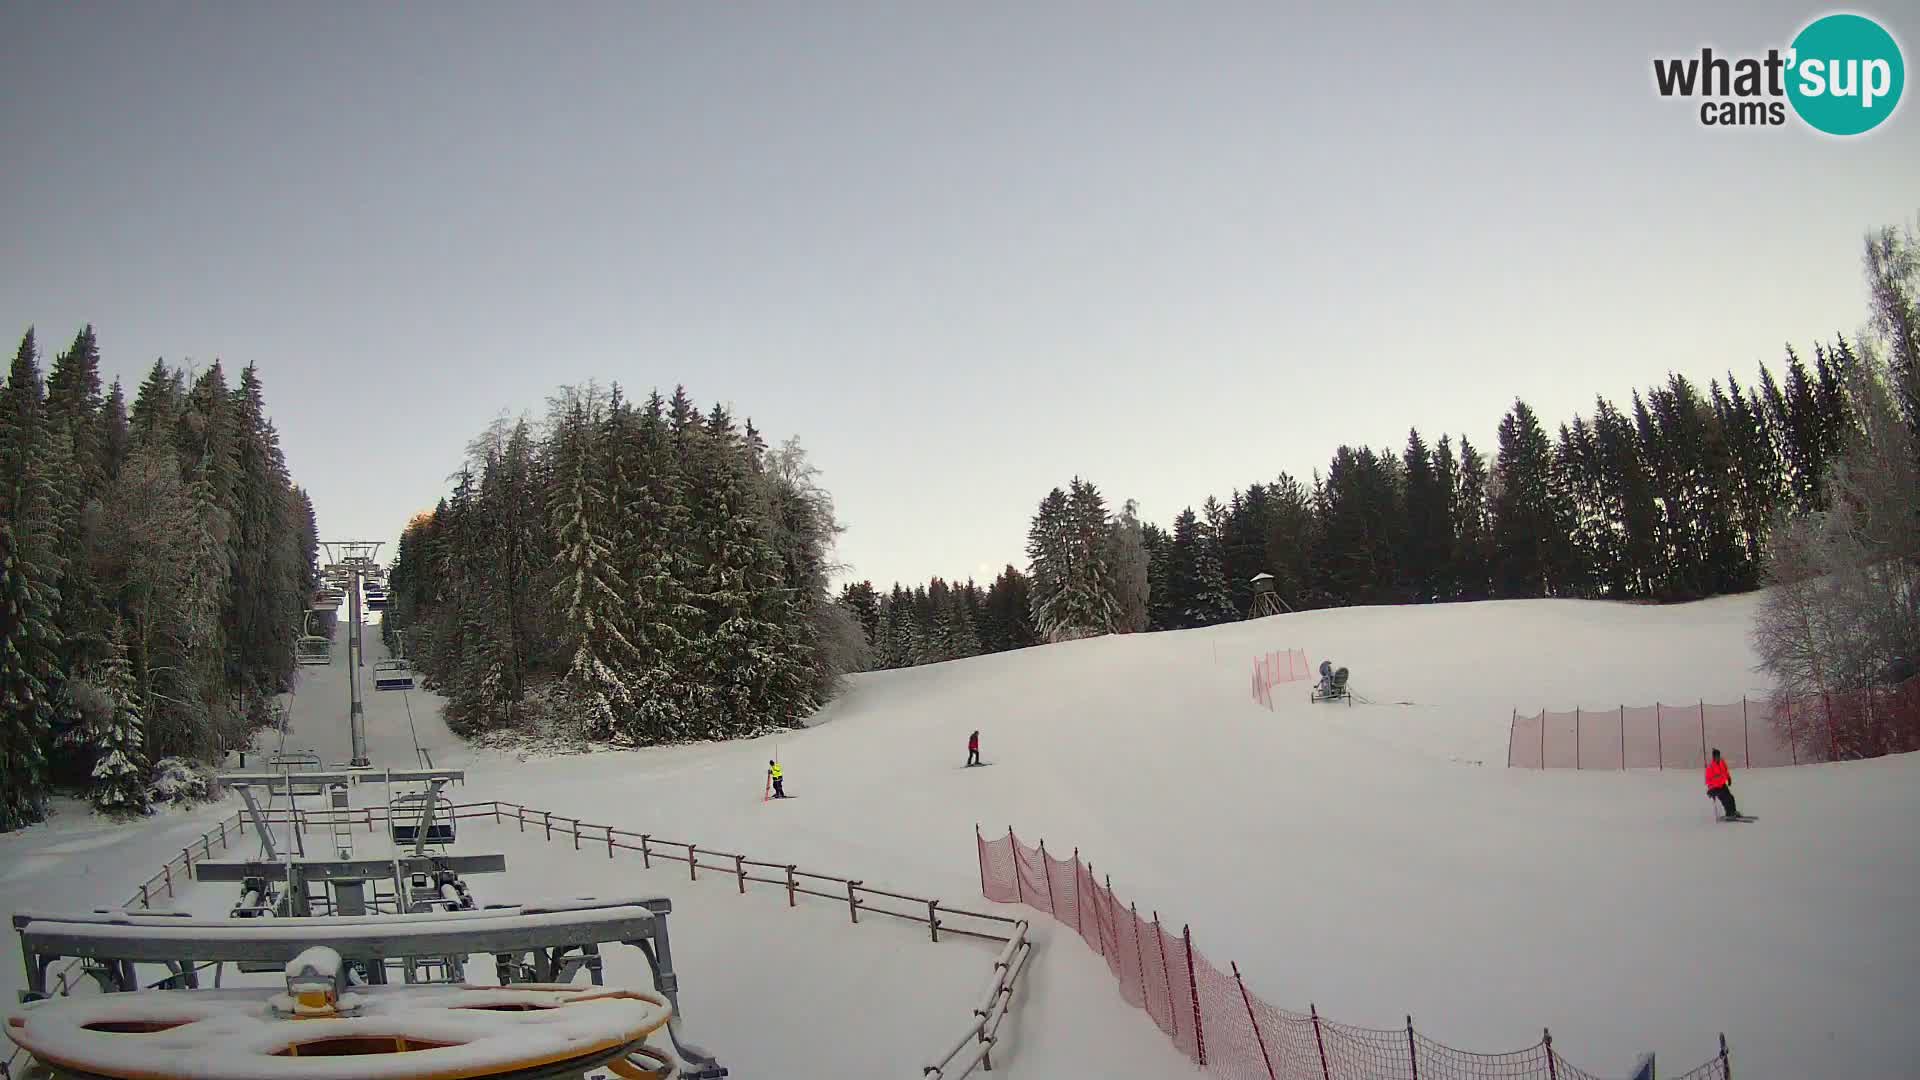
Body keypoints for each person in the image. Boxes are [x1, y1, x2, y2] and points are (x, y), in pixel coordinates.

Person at [1704, 748, 1739, 819]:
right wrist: (1711, 790)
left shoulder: (1722, 762)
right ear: (1713, 757)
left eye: (1718, 756)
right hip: (1715, 788)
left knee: (1731, 797)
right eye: (1716, 756)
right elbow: (1708, 781)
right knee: (1725, 799)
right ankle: (1729, 814)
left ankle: (1733, 811)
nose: (1718, 758)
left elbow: (1725, 771)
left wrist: (1728, 778)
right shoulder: (1710, 767)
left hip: (1722, 785)